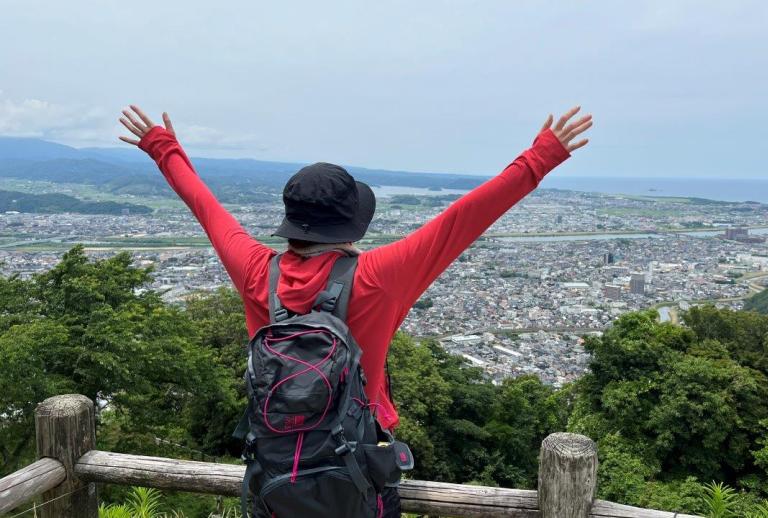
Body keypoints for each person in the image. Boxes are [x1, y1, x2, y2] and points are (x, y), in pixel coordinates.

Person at [118, 105, 591, 516]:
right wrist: (543, 154)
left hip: (275, 463)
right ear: (352, 224)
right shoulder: (379, 275)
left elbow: (205, 206)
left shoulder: (255, 269)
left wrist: (162, 147)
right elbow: (464, 218)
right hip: (358, 462)